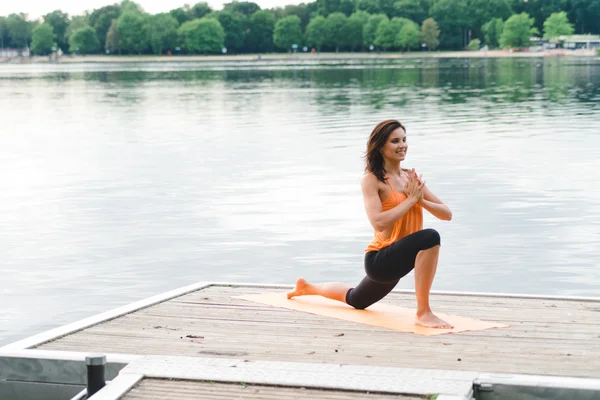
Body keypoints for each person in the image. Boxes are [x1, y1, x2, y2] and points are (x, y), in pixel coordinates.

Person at [287, 119, 453, 329]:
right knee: (430, 237)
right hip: (380, 260)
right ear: (380, 146)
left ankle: (307, 288)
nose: (402, 145)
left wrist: (420, 200)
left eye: (404, 139)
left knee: (357, 300)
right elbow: (379, 223)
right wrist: (410, 200)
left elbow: (447, 214)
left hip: (400, 257)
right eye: (394, 141)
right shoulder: (373, 180)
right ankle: (423, 312)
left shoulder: (410, 178)